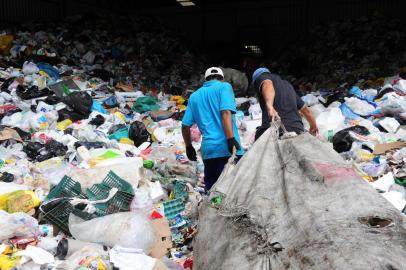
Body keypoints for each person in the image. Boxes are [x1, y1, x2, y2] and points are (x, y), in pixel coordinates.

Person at [182, 67, 244, 191]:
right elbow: (225, 112)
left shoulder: (194, 96)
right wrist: (230, 139)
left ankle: (212, 210)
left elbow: (185, 125)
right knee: (234, 190)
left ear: (206, 79)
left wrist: (189, 146)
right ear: (221, 78)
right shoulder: (224, 87)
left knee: (213, 192)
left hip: (209, 151)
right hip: (228, 148)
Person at [252, 67, 319, 140]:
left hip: (274, 130)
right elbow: (306, 111)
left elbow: (267, 84)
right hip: (297, 129)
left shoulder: (261, 77)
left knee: (258, 137)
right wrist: (313, 126)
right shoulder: (288, 86)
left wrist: (270, 106)